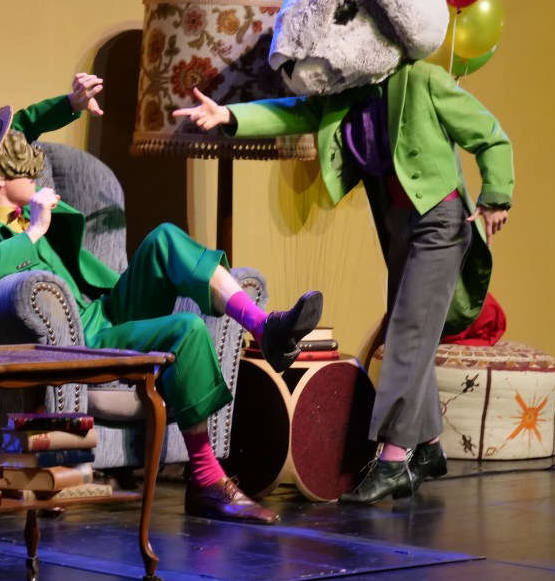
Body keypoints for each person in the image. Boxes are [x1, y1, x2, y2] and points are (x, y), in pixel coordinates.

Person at [0, 73, 323, 524]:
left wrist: (70, 102)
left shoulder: (19, 193)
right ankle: (206, 480)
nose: (35, 165)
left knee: (164, 239)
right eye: (22, 162)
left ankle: (263, 326)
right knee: (187, 328)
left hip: (105, 309)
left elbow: (20, 128)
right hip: (82, 339)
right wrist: (34, 232)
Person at [175, 59, 513, 505]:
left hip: (440, 221)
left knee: (408, 331)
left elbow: (490, 134)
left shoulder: (423, 79)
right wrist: (228, 115)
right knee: (409, 332)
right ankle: (429, 447)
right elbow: (292, 112)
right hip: (399, 224)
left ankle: (393, 461)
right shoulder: (345, 95)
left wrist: (496, 196)